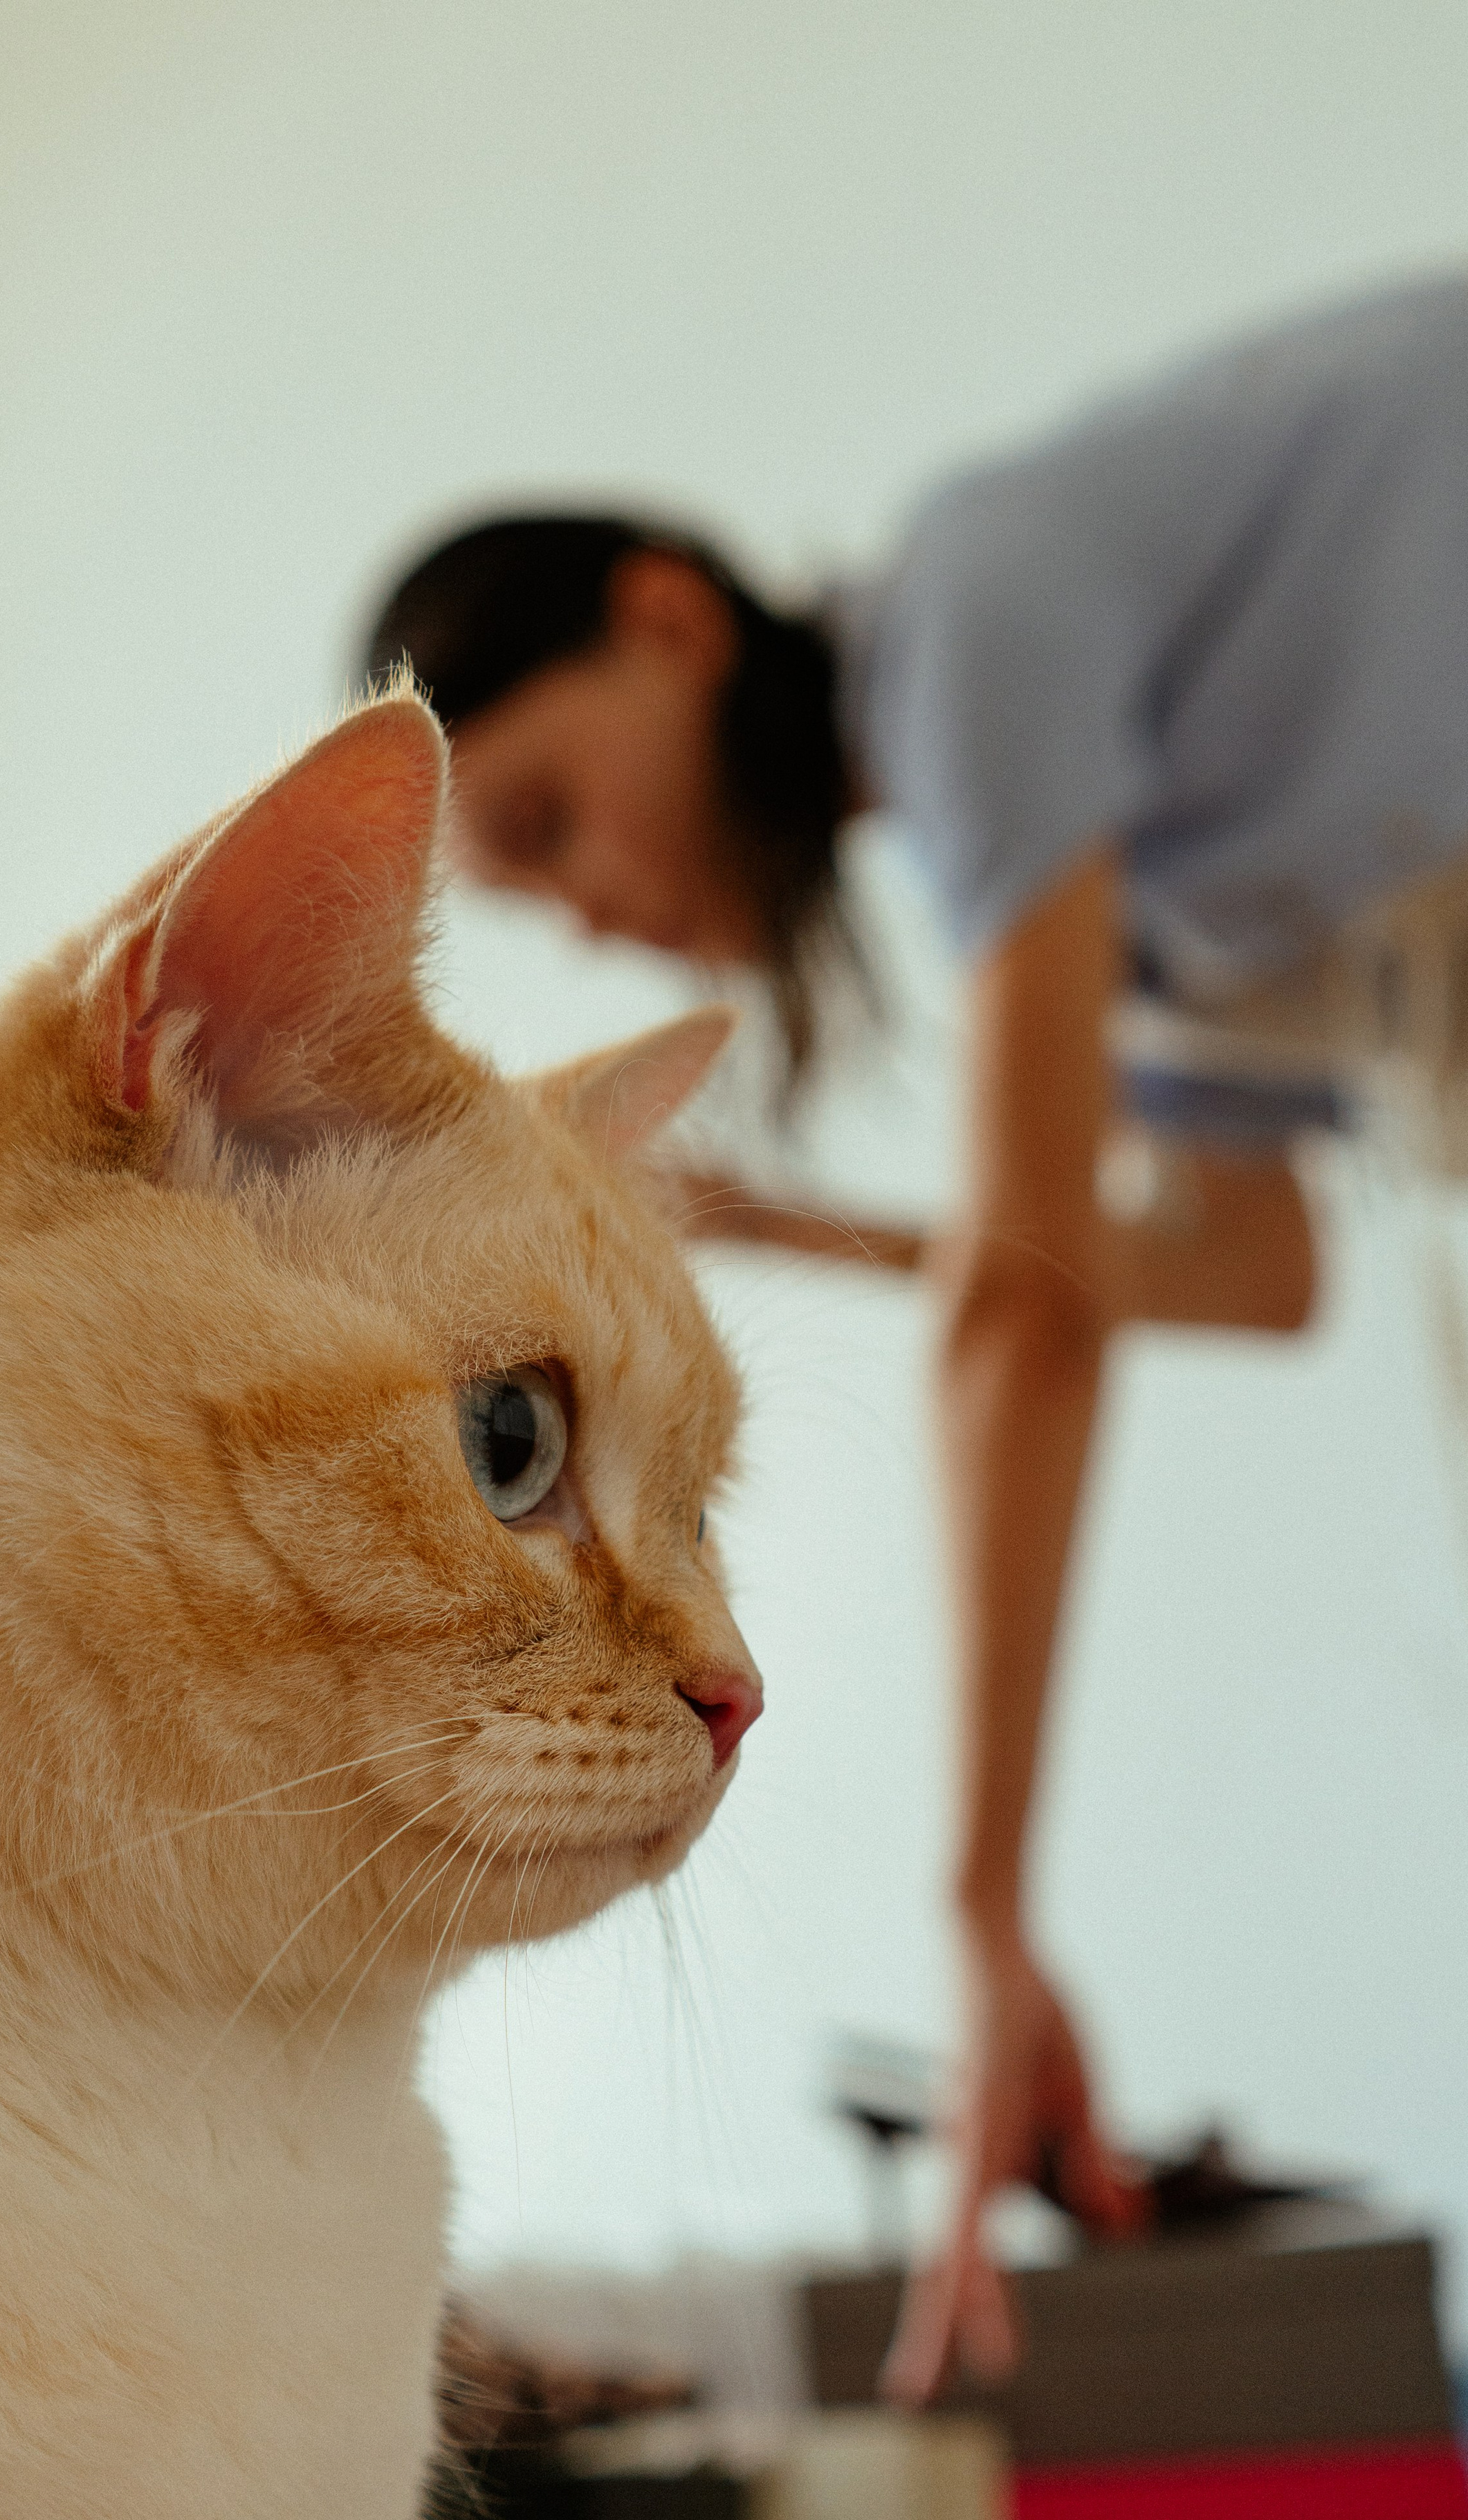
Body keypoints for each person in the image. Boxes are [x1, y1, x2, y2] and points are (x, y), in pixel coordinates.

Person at [360, 273, 1468, 2398]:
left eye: (546, 819)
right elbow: (1249, 1267)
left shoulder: (977, 605)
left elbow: (1031, 1323)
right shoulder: (1141, 893)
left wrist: (982, 1908)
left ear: (672, 618)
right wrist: (817, 1234)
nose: (586, 905)